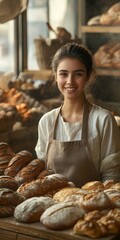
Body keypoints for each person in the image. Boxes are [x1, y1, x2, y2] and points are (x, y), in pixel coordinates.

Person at [35, 42, 120, 187]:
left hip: (93, 207)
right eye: (63, 74)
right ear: (55, 75)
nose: (70, 81)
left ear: (88, 76)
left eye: (78, 74)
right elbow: (43, 175)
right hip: (54, 205)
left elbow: (112, 178)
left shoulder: (103, 120)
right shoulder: (46, 121)